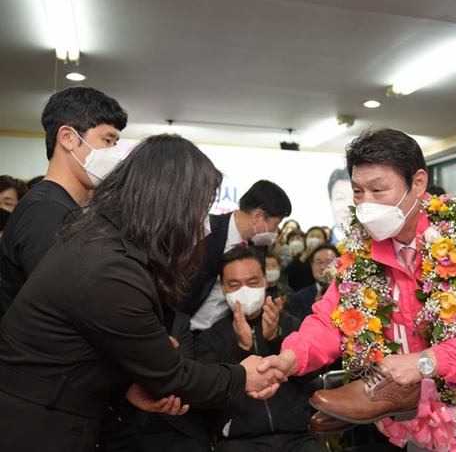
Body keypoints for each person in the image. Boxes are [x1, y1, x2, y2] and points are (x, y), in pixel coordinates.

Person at [0, 135, 286, 451]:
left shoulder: (101, 241)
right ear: (170, 203)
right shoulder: (111, 269)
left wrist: (126, 386)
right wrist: (241, 378)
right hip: (37, 424)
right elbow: (171, 375)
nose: (201, 223)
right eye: (199, 209)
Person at [259, 128, 456, 451]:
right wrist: (292, 357)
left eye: (378, 190)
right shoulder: (360, 250)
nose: (366, 204)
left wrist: (425, 362)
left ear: (417, 183)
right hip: (414, 417)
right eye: (359, 192)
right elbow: (332, 320)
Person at [0, 86, 128, 318]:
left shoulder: (63, 206)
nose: (113, 153)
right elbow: (60, 305)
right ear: (68, 138)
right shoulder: (47, 211)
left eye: (115, 143)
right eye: (107, 140)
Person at [196, 247, 325, 452]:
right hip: (239, 441)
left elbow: (314, 372)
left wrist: (276, 340)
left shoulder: (290, 324)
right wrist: (241, 349)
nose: (245, 290)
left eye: (253, 282)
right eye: (234, 285)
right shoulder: (209, 339)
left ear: (265, 279)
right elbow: (210, 392)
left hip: (297, 437)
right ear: (222, 287)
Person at [177, 179, 292, 332]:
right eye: (276, 224)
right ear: (258, 215)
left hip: (223, 334)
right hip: (184, 326)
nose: (276, 231)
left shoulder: (259, 245)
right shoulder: (205, 227)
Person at [100, 311, 212, 452]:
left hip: (178, 428)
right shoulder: (110, 321)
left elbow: (187, 375)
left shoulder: (177, 320)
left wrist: (166, 355)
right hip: (127, 429)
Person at [289, 244, 340, 321]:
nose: (322, 267)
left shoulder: (347, 292)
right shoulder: (298, 298)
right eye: (318, 262)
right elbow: (297, 327)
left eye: (328, 261)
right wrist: (315, 308)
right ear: (311, 265)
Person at [285, 226, 328, 292]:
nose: (314, 238)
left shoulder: (329, 257)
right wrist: (305, 255)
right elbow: (289, 273)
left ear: (324, 240)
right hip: (302, 294)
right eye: (311, 236)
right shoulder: (299, 256)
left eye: (318, 237)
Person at [328, 168, 353, 245]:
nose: (347, 208)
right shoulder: (323, 243)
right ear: (331, 202)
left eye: (355, 198)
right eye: (340, 198)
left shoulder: (376, 245)